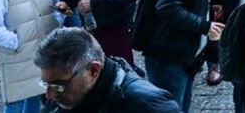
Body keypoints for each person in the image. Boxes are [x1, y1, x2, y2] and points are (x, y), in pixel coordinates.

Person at [35, 27, 181, 112]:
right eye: (45, 84)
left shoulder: (148, 105)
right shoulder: (63, 96)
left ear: (93, 70)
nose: (50, 95)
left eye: (59, 86)